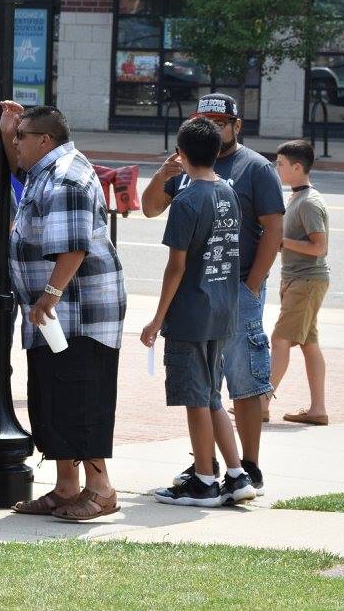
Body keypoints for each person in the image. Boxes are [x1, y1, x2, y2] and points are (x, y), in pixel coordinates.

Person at [142, 93, 284, 495]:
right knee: (208, 389)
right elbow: (150, 207)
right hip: (204, 294)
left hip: (231, 290)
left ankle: (245, 466)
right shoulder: (190, 174)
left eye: (221, 121)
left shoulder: (254, 168)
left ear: (237, 125)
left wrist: (252, 285)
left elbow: (273, 229)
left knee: (242, 380)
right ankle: (213, 466)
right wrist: (162, 173)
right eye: (206, 120)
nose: (215, 126)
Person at [1, 102, 126, 522]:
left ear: (44, 141)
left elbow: (73, 247)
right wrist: (8, 129)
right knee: (53, 398)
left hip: (79, 315)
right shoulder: (46, 170)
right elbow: (19, 166)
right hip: (56, 317)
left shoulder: (67, 178)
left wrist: (48, 297)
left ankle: (102, 490)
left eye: (21, 137)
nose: (15, 144)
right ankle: (66, 488)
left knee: (80, 400)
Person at [268, 139, 331, 426]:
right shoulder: (296, 197)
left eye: (280, 164)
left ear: (296, 167)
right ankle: (317, 409)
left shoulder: (309, 202)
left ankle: (260, 402)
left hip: (306, 280)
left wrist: (280, 241)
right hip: (298, 280)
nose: (276, 168)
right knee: (308, 344)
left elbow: (320, 248)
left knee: (280, 339)